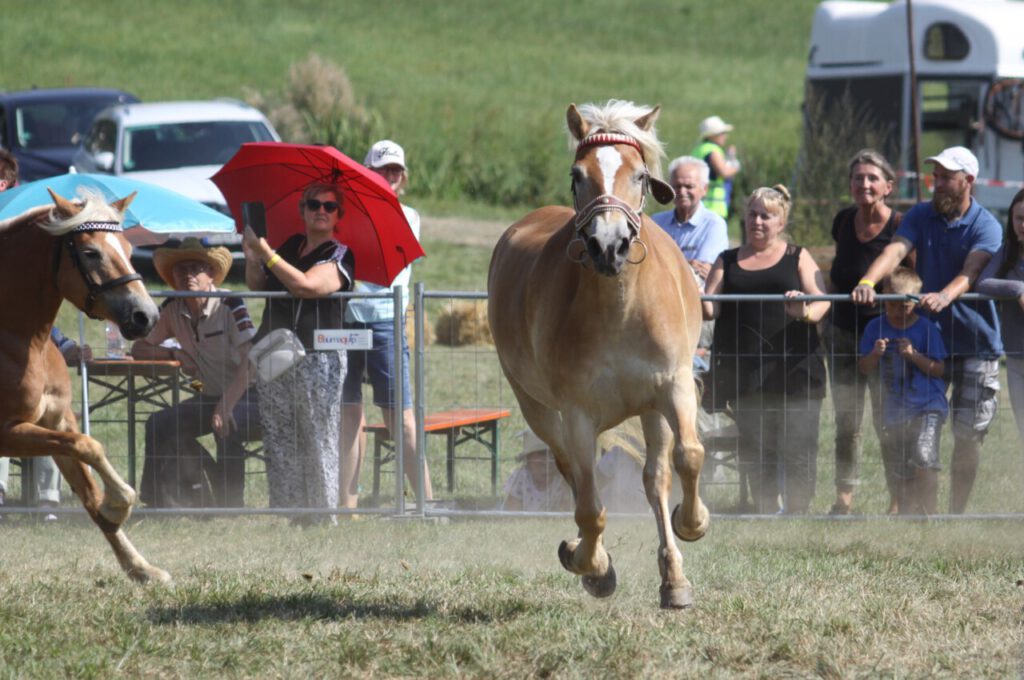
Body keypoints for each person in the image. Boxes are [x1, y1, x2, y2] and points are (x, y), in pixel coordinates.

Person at [852, 146, 1003, 514]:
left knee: (967, 437)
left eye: (946, 177)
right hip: (925, 340)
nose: (938, 184)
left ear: (967, 182)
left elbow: (973, 269)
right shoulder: (920, 215)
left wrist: (946, 295)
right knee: (911, 426)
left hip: (975, 342)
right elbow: (896, 251)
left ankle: (955, 514)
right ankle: (915, 510)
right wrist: (869, 280)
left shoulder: (986, 224)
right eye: (936, 176)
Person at [703, 185, 830, 514]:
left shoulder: (797, 256)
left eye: (766, 215)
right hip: (746, 371)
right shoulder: (727, 260)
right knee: (756, 446)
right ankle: (765, 511)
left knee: (799, 443)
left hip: (795, 367)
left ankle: (798, 513)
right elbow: (709, 308)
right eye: (752, 214)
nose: (757, 221)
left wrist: (805, 312)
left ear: (781, 222)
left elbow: (822, 299)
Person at [243, 182, 354, 522]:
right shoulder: (290, 245)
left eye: (330, 206)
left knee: (317, 436)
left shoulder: (339, 253)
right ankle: (293, 513)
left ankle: (323, 515)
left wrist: (266, 253)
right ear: (302, 210)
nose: (321, 210)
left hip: (318, 357)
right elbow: (260, 285)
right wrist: (252, 258)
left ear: (338, 216)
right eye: (314, 204)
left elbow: (307, 285)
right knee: (280, 435)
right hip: (277, 352)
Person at [131, 238, 261, 508]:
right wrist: (174, 354)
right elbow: (139, 348)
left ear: (211, 274)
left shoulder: (230, 302)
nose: (188, 274)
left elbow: (251, 360)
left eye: (196, 268)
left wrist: (226, 404)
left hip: (249, 394)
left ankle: (230, 506)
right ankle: (156, 501)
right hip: (209, 396)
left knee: (228, 423)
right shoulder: (172, 308)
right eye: (181, 269)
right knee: (159, 423)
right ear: (173, 277)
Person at [339, 140, 432, 508]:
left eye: (394, 171)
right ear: (367, 173)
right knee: (349, 414)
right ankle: (345, 505)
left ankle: (426, 501)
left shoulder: (408, 215)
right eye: (380, 170)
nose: (388, 177)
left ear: (403, 177)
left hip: (384, 322)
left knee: (401, 417)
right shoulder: (345, 213)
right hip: (346, 319)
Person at [823, 149, 907, 515]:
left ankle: (898, 497)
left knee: (886, 420)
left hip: (883, 336)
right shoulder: (843, 221)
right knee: (846, 421)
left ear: (888, 186)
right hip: (842, 333)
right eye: (858, 178)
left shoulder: (899, 227)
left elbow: (909, 280)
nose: (864, 184)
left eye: (872, 178)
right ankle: (845, 498)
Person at [858, 268, 948, 515]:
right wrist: (875, 354)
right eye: (893, 305)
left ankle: (930, 513)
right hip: (895, 408)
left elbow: (939, 369)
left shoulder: (927, 330)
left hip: (928, 404)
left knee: (924, 456)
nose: (899, 312)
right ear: (884, 297)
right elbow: (863, 367)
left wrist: (913, 355)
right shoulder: (874, 328)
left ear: (916, 302)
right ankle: (908, 516)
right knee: (902, 465)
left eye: (906, 306)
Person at [0, 327, 90, 520]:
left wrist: (76, 351)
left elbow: (62, 345)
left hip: (35, 403)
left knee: (51, 430)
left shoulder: (38, 320)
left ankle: (47, 502)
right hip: (5, 403)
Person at [975, 189, 1024, 443]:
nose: (1023, 225)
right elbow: (983, 283)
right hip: (1017, 358)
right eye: (1019, 218)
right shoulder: (1007, 253)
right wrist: (1017, 289)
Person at [650, 156, 729, 284]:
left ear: (705, 189)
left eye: (689, 186)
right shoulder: (656, 222)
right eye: (676, 186)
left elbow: (702, 272)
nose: (682, 191)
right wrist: (688, 263)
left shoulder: (714, 224)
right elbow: (647, 265)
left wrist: (662, 264)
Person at [501, 428, 571, 512]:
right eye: (541, 453)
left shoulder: (562, 480)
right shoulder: (520, 477)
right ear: (528, 458)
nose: (547, 459)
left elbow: (566, 512)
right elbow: (513, 512)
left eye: (553, 453)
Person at [692, 115, 741, 219]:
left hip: (698, 204)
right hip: (713, 207)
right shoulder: (713, 150)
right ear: (712, 135)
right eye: (722, 133)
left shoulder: (698, 149)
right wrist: (735, 164)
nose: (725, 136)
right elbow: (723, 172)